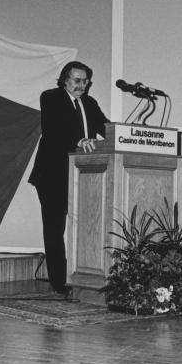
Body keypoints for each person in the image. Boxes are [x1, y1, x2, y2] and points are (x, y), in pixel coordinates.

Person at [29, 61, 110, 295]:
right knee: (55, 228)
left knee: (85, 227)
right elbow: (52, 130)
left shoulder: (90, 103)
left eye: (85, 81)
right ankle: (59, 282)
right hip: (53, 173)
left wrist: (123, 136)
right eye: (77, 80)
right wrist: (79, 141)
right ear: (65, 79)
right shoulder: (51, 97)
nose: (82, 85)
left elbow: (105, 128)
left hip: (82, 173)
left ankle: (84, 275)